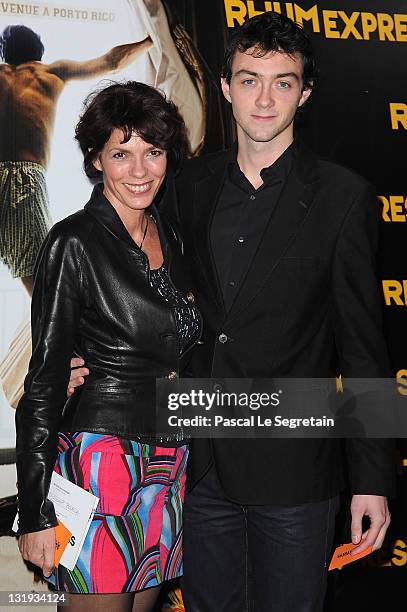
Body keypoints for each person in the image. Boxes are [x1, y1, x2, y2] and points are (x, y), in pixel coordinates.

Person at [70, 12, 395, 611]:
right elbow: (139, 278)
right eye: (249, 80)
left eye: (283, 81)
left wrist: (372, 481)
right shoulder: (188, 184)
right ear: (224, 87)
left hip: (295, 467)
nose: (264, 98)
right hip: (196, 465)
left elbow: (364, 347)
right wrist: (86, 351)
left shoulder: (343, 198)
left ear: (307, 92)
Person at [15, 81, 201, 612]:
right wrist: (33, 514)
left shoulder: (175, 236)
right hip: (98, 465)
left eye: (153, 152)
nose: (140, 171)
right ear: (97, 159)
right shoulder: (73, 242)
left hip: (168, 464)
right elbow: (46, 382)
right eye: (122, 153)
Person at [0, 25, 152, 294]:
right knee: (35, 272)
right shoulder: (49, 73)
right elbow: (112, 61)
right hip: (23, 177)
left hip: (20, 177)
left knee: (34, 269)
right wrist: (153, 39)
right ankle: (53, 334)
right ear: (38, 49)